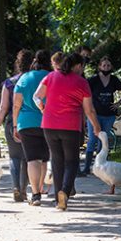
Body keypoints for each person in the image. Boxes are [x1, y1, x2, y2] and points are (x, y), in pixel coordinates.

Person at [33, 52, 101, 211]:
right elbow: (89, 110)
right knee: (71, 161)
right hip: (70, 126)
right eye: (82, 66)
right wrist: (96, 126)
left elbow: (36, 97)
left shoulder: (50, 77)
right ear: (77, 66)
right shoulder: (82, 82)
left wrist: (43, 108)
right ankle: (65, 191)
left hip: (49, 125)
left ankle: (58, 199)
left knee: (56, 160)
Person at [11, 50, 52, 206]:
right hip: (48, 122)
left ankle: (35, 194)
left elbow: (16, 105)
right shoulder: (51, 77)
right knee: (43, 159)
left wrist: (15, 125)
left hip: (26, 123)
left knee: (32, 159)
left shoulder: (24, 78)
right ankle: (40, 188)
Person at [0, 50, 32, 202]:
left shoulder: (9, 83)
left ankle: (15, 187)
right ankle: (23, 189)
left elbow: (3, 107)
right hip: (30, 122)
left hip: (11, 122)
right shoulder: (35, 81)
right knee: (28, 158)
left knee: (14, 156)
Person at [82, 56, 121, 174]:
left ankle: (100, 167)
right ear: (99, 67)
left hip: (109, 115)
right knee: (92, 139)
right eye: (104, 65)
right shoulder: (93, 80)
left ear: (111, 67)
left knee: (103, 140)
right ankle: (87, 168)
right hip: (94, 114)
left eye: (108, 65)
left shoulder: (114, 80)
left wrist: (118, 103)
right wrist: (87, 108)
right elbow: (83, 92)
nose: (106, 67)